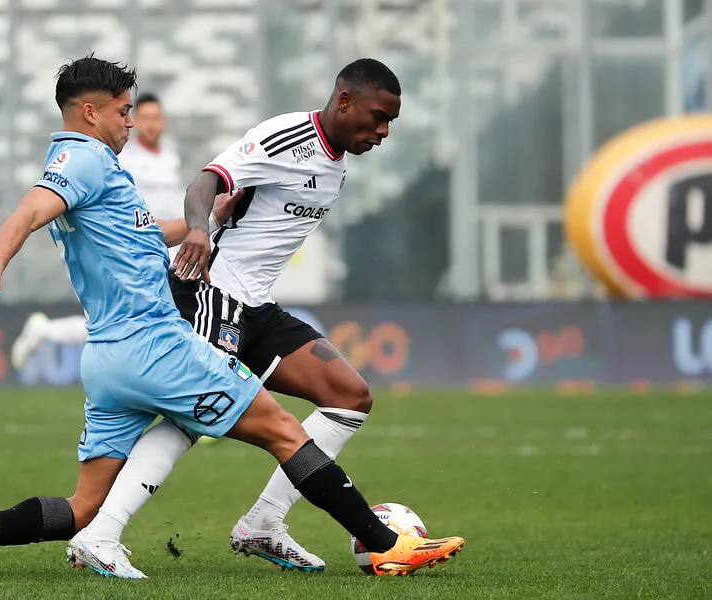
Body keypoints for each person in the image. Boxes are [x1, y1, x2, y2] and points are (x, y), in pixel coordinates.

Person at [0, 53, 463, 580]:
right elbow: (31, 209)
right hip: (160, 341)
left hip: (109, 359)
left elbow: (138, 231)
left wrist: (200, 225)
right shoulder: (79, 162)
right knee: (282, 430)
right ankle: (387, 543)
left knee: (83, 506)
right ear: (89, 111)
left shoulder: (105, 174)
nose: (133, 122)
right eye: (124, 111)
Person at [69, 58, 462, 574]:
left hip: (256, 305)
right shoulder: (285, 137)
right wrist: (197, 230)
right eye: (376, 116)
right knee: (192, 420)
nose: (383, 131)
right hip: (210, 292)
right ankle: (100, 534)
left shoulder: (336, 164)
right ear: (344, 100)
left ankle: (263, 524)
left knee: (350, 396)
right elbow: (204, 183)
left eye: (391, 121)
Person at [9, 93, 185, 369]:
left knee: (133, 321)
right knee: (114, 321)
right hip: (122, 247)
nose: (150, 125)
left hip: (159, 243)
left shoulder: (170, 157)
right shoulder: (123, 156)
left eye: (156, 118)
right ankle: (46, 332)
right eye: (145, 117)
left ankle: (46, 332)